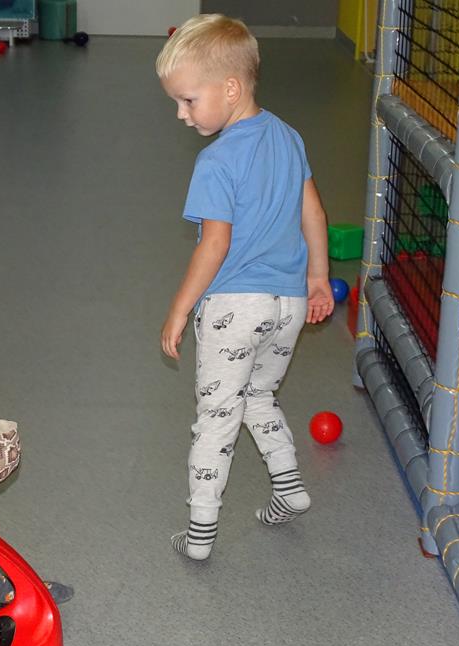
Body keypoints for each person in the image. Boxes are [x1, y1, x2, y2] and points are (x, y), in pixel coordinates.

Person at [156, 15, 334, 561]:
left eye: (188, 100)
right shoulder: (288, 136)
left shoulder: (215, 161)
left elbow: (214, 245)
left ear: (230, 88)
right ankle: (289, 487)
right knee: (258, 396)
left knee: (217, 417)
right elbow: (313, 213)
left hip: (235, 307)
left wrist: (179, 308)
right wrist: (318, 277)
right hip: (287, 304)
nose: (181, 114)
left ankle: (200, 532)